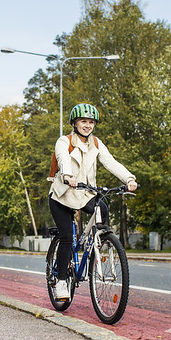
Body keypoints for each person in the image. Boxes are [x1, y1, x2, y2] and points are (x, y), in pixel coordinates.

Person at [48, 103, 138, 301]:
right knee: (66, 238)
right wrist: (67, 175)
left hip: (84, 194)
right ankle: (61, 282)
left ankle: (97, 247)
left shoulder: (96, 143)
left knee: (102, 209)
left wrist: (129, 179)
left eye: (91, 122)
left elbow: (110, 162)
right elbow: (62, 158)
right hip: (63, 195)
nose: (87, 125)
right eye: (83, 121)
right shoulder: (64, 141)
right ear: (75, 123)